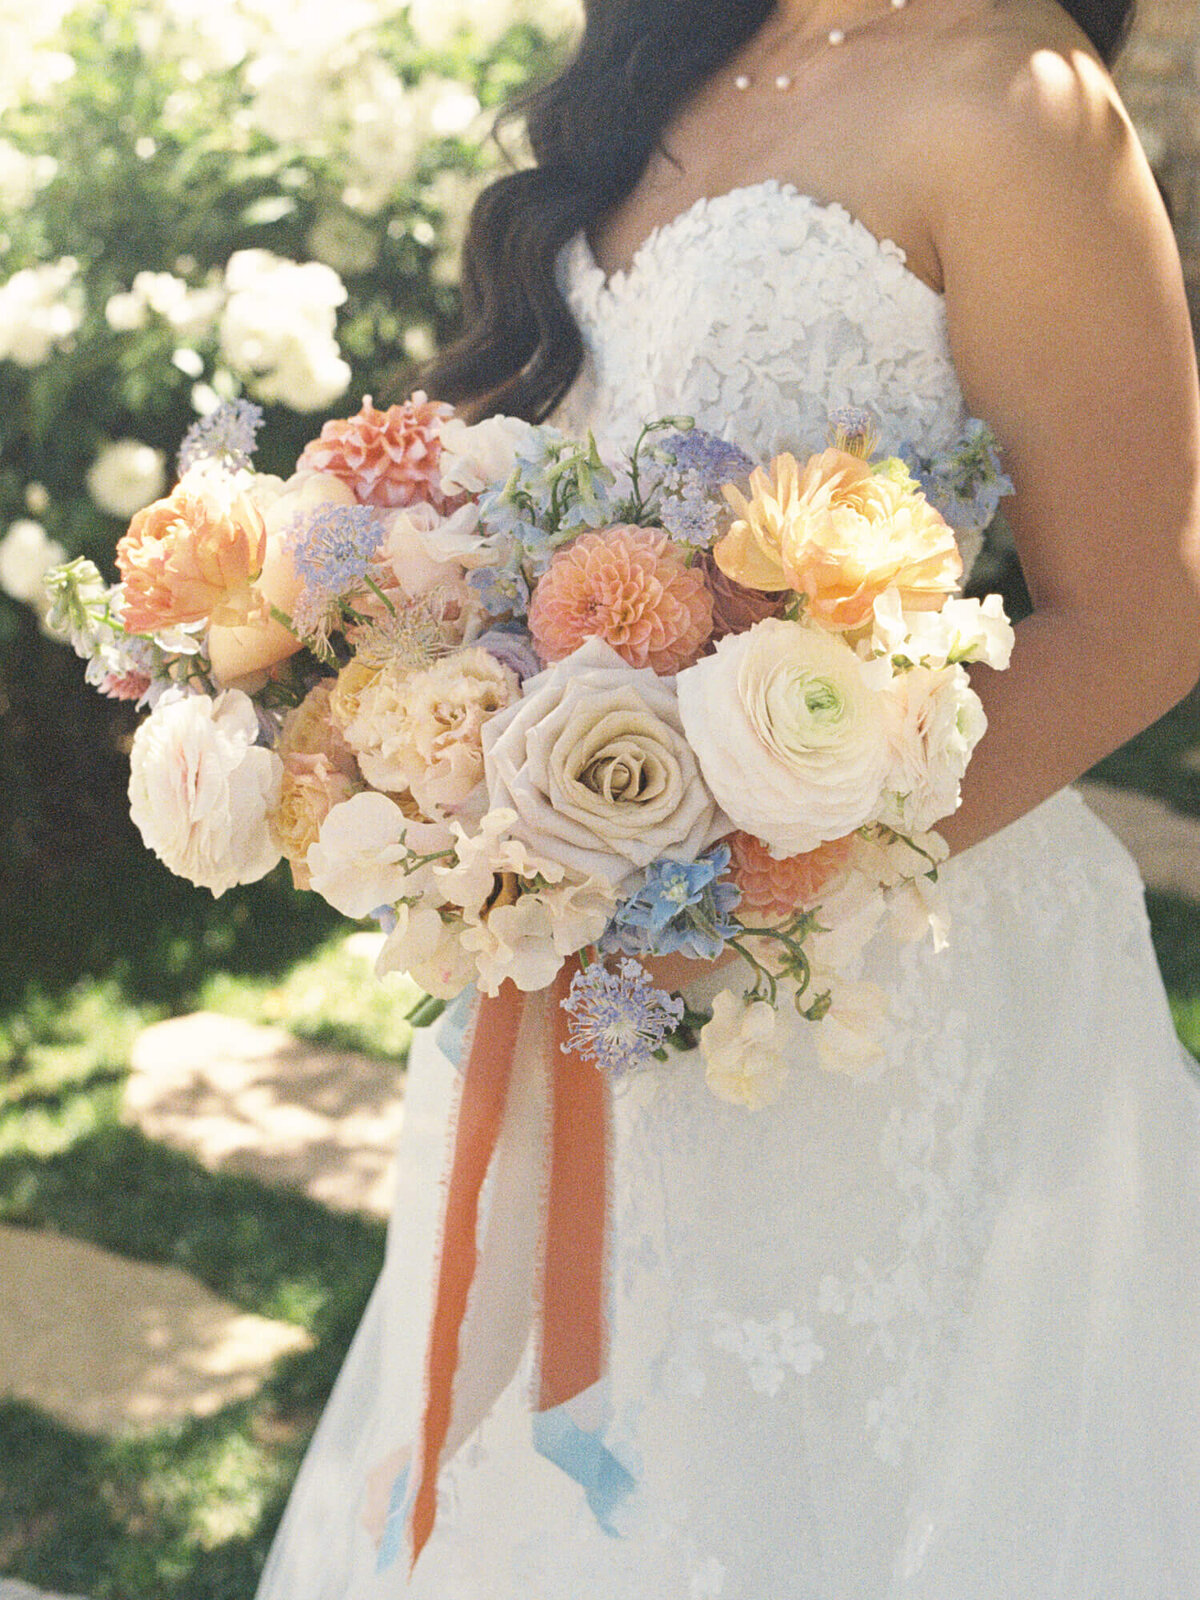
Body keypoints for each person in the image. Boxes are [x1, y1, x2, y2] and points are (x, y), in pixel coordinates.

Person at [255, 0, 1200, 1593]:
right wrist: (403, 687)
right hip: (569, 952)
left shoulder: (1020, 101)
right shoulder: (681, 43)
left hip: (868, 988)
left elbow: (1141, 614)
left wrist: (748, 881)